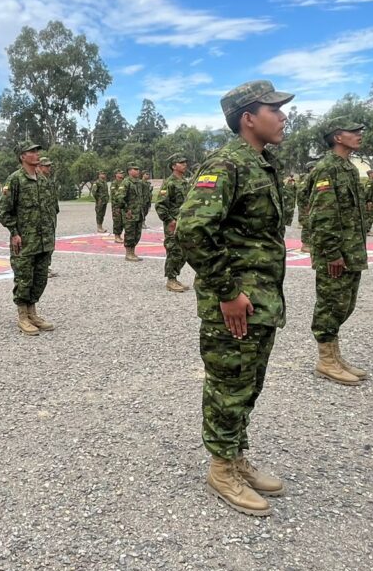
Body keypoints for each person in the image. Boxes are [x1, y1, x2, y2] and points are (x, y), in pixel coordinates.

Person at [176, 80, 291, 517]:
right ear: (248, 117)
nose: (282, 117)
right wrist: (227, 292)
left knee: (250, 383)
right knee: (229, 385)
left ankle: (236, 455)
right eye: (273, 109)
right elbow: (192, 231)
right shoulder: (227, 164)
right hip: (235, 301)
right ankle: (221, 468)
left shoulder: (263, 162)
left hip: (261, 298)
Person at [307, 119, 369, 385]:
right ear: (338, 137)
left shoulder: (348, 168)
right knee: (331, 303)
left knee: (346, 303)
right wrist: (331, 252)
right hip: (335, 253)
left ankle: (335, 354)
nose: (359, 135)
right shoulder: (326, 169)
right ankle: (325, 360)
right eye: (353, 132)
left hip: (350, 249)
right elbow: (322, 215)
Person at [0, 143, 57, 336]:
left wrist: (51, 234)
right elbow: (3, 211)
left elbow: (51, 210)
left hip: (44, 240)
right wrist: (14, 232)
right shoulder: (15, 180)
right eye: (32, 151)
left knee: (40, 279)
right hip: (25, 241)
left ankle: (33, 313)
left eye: (37, 151)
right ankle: (23, 316)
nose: (36, 154)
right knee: (24, 279)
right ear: (22, 156)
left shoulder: (43, 180)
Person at [154, 153, 191, 292]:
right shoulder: (169, 183)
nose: (185, 165)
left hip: (184, 222)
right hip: (173, 223)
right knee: (174, 250)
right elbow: (160, 205)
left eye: (185, 162)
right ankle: (170, 280)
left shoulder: (184, 182)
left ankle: (175, 277)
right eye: (181, 163)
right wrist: (169, 220)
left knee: (183, 252)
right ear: (174, 166)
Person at [38, 157, 61, 277]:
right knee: (43, 243)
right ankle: (42, 269)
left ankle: (46, 266)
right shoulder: (37, 181)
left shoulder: (49, 181)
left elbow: (53, 198)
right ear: (40, 167)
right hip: (42, 218)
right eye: (47, 166)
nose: (49, 168)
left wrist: (55, 211)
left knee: (50, 243)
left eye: (49, 166)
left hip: (51, 217)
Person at [121, 165, 145, 261]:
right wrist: (127, 209)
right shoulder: (126, 183)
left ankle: (133, 252)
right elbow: (120, 197)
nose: (138, 171)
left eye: (138, 169)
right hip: (130, 213)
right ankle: (128, 254)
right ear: (129, 171)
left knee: (137, 234)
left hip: (138, 212)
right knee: (130, 233)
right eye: (135, 169)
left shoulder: (139, 183)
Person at [297, 160, 318, 253]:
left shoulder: (313, 177)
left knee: (312, 223)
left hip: (310, 204)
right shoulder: (307, 178)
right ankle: (305, 245)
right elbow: (301, 193)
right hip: (306, 205)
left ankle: (311, 243)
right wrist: (307, 203)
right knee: (306, 224)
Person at [110, 168, 126, 243]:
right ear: (116, 174)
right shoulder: (114, 183)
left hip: (123, 205)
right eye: (120, 173)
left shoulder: (124, 182)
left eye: (122, 173)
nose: (121, 174)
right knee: (117, 221)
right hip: (116, 205)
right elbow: (115, 194)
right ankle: (116, 236)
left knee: (122, 221)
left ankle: (119, 235)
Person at [362, 169, 373, 236]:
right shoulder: (370, 182)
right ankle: (366, 230)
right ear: (370, 174)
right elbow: (366, 192)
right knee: (370, 216)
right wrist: (369, 201)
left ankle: (367, 230)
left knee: (371, 216)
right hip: (370, 202)